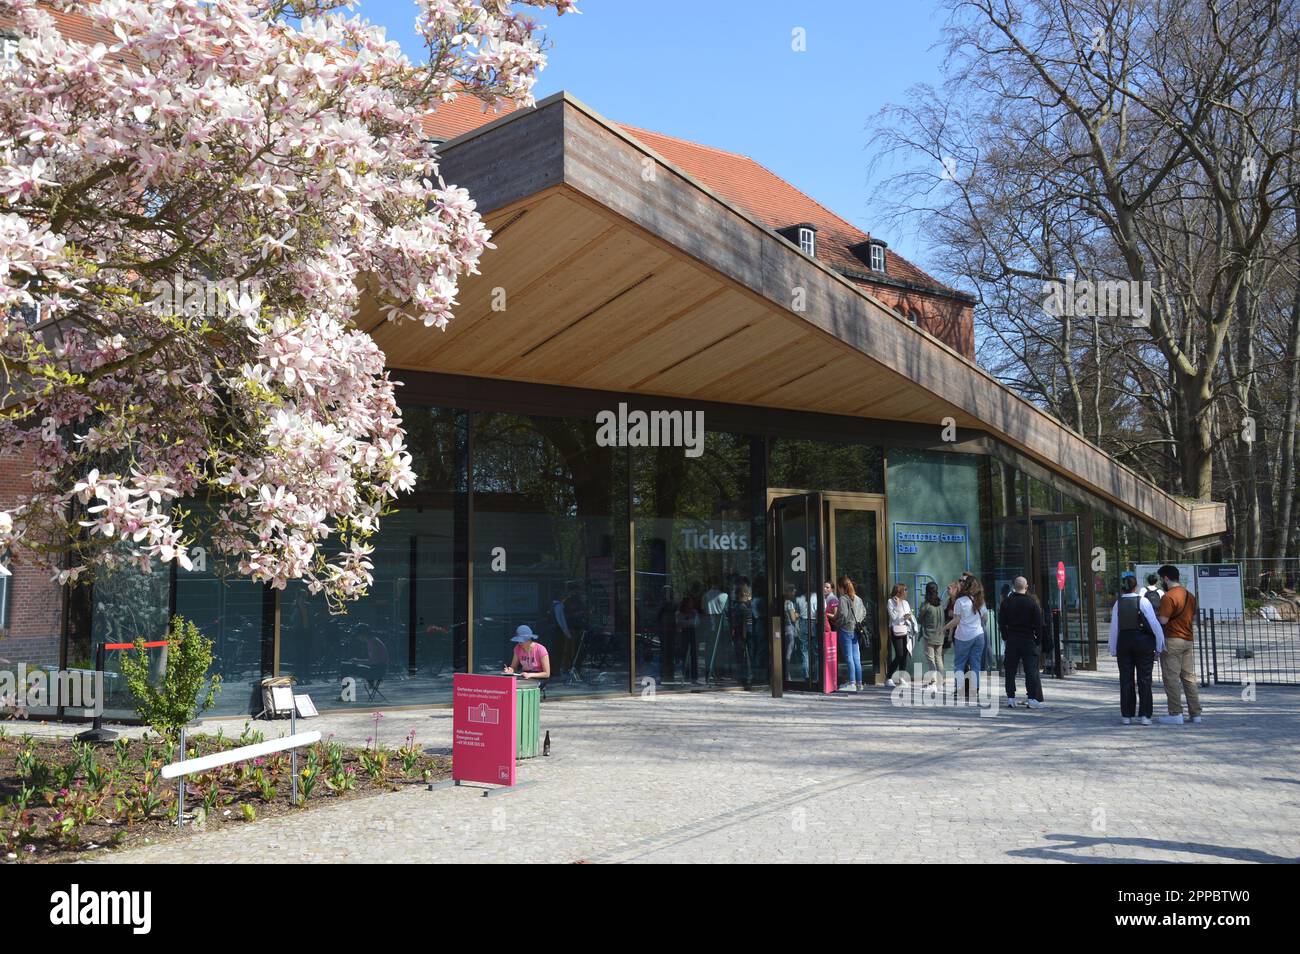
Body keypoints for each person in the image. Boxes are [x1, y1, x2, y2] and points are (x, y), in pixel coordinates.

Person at [1108, 574, 1164, 725]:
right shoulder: (1143, 601)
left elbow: (1114, 628)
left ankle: (1127, 715)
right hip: (1143, 643)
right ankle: (1145, 715)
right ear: (1136, 587)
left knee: (1126, 680)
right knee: (1144, 679)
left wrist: (1113, 648)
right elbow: (1153, 624)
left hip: (1124, 643)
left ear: (1122, 588)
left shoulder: (1117, 604)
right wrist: (1159, 645)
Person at [1155, 564, 1201, 724]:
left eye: (1162, 578)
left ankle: (1175, 714)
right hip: (1188, 640)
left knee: (1171, 678)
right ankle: (1196, 714)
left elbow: (1163, 620)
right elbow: (1193, 619)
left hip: (1172, 639)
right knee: (1189, 678)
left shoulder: (1168, 597)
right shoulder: (1190, 595)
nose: (1161, 581)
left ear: (1166, 578)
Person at [998, 576, 1046, 709]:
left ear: (1014, 586)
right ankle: (1031, 698)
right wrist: (1038, 640)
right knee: (1030, 670)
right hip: (1028, 639)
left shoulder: (1006, 602)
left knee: (1010, 669)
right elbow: (1038, 624)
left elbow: (1001, 622)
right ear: (1026, 587)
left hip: (1012, 639)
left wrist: (1005, 636)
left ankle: (1011, 697)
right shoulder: (1032, 603)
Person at [944, 575, 988, 700]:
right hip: (978, 635)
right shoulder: (979, 600)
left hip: (963, 636)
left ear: (966, 586)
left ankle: (960, 689)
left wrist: (944, 628)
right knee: (975, 664)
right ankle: (975, 690)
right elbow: (985, 617)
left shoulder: (960, 601)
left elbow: (956, 620)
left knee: (959, 664)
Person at [835, 576, 867, 692]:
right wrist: (857, 621)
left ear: (841, 587)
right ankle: (859, 683)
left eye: (838, 587)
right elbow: (864, 612)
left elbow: (843, 615)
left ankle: (852, 683)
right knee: (856, 658)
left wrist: (838, 623)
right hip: (856, 630)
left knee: (849, 657)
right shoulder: (858, 599)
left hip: (846, 630)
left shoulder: (843, 599)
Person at [885, 583, 915, 687]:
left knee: (905, 654)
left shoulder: (906, 603)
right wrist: (897, 605)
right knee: (899, 654)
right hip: (896, 630)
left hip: (905, 630)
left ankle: (902, 677)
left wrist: (909, 616)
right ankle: (888, 677)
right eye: (905, 590)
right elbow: (894, 617)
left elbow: (907, 614)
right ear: (899, 591)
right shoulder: (890, 602)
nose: (906, 592)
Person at [917, 581, 946, 684]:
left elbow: (919, 620)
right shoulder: (941, 604)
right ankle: (942, 678)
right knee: (939, 658)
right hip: (940, 635)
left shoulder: (926, 605)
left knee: (930, 658)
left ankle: (933, 679)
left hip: (929, 635)